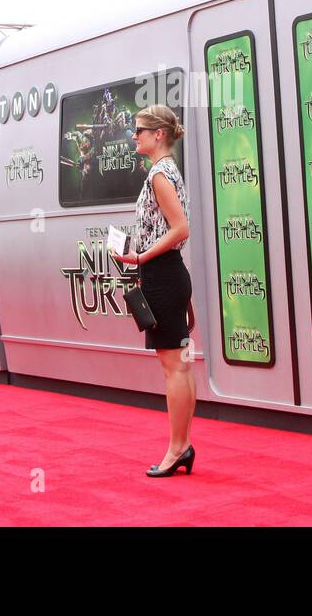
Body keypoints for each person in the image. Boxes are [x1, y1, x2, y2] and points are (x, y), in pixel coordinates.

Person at [110, 105, 195, 477]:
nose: (135, 135)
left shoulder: (160, 175)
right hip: (169, 273)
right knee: (179, 364)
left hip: (162, 275)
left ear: (158, 135)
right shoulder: (167, 171)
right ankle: (182, 445)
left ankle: (177, 449)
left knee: (173, 366)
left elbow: (180, 229)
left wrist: (139, 256)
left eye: (140, 130)